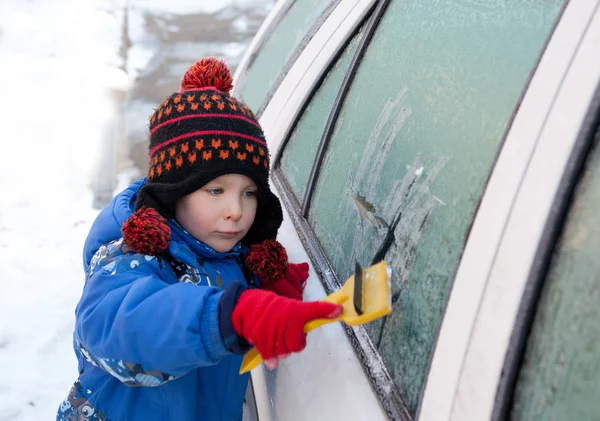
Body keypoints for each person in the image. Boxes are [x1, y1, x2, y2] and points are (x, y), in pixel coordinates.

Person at [57, 58, 342, 421]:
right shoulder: (131, 254)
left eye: (250, 192)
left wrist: (274, 297)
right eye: (216, 189)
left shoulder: (236, 254)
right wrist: (231, 316)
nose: (236, 210)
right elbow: (117, 324)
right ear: (175, 191)